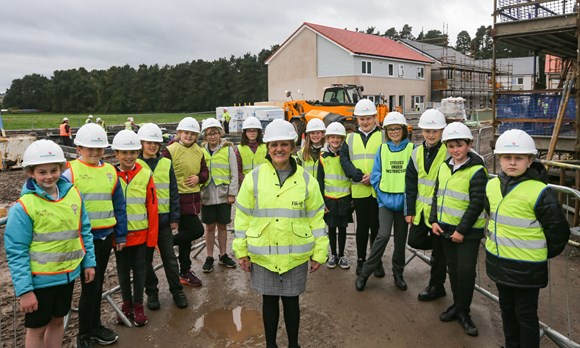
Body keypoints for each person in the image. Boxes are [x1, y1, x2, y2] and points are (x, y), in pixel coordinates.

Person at [233, 119, 328, 348]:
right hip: (263, 255)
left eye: (284, 144)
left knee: (292, 301)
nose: (279, 149)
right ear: (267, 147)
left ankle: (293, 344)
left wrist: (319, 251)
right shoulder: (254, 178)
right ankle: (271, 345)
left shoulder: (307, 181)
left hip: (294, 255)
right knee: (269, 301)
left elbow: (316, 217)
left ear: (293, 147)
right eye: (274, 144)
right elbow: (242, 216)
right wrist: (241, 250)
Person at [4, 140, 96, 348]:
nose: (49, 176)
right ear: (31, 173)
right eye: (42, 172)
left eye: (54, 170)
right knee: (36, 330)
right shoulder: (24, 207)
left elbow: (84, 231)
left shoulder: (74, 195)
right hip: (40, 282)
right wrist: (25, 291)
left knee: (57, 322)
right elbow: (16, 252)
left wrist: (88, 262)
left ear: (62, 169)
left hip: (67, 275)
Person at [485, 129, 570, 348]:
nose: (512, 163)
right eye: (507, 157)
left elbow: (558, 232)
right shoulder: (492, 185)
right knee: (506, 311)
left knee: (525, 315)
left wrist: (540, 252)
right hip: (500, 264)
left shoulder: (540, 191)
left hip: (527, 270)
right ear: (499, 159)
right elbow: (492, 216)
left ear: (530, 160)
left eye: (519, 158)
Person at [63, 123, 128, 347]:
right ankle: (84, 333)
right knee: (88, 287)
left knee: (96, 285)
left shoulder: (110, 172)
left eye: (99, 148)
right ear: (78, 148)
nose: (95, 152)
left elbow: (119, 206)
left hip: (103, 239)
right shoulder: (69, 172)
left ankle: (94, 326)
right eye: (90, 148)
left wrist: (120, 235)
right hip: (79, 240)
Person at [429, 122, 487, 336]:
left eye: (459, 145)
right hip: (445, 230)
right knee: (453, 271)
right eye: (451, 145)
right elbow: (437, 195)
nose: (455, 150)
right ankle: (457, 306)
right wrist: (434, 220)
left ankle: (464, 312)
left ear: (469, 144)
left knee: (465, 272)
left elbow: (476, 204)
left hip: (467, 234)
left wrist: (461, 231)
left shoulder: (477, 170)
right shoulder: (445, 167)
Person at [356, 112, 414, 291]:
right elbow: (376, 175)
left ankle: (398, 273)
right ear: (386, 131)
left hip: (403, 203)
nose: (394, 132)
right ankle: (365, 272)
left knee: (400, 239)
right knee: (382, 236)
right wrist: (382, 196)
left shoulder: (412, 149)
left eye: (397, 128)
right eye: (390, 129)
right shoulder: (382, 149)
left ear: (403, 130)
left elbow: (414, 178)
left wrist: (409, 203)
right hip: (385, 202)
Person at [137, 123, 189, 310]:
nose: (152, 146)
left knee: (169, 258)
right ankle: (152, 293)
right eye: (148, 142)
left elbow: (173, 192)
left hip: (164, 220)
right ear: (141, 143)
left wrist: (175, 217)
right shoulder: (135, 165)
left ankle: (177, 291)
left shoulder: (166, 164)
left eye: (156, 143)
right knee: (145, 261)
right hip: (143, 222)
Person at [111, 130, 159, 327]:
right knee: (122, 271)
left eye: (132, 152)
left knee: (140, 272)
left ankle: (139, 305)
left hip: (141, 235)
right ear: (116, 154)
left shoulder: (146, 174)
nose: (129, 157)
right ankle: (126, 305)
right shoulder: (110, 174)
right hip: (120, 236)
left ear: (138, 153)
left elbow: (152, 207)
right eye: (124, 153)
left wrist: (152, 239)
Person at [405, 109, 449, 301]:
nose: (431, 135)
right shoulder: (416, 153)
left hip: (440, 212)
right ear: (421, 131)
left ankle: (436, 286)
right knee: (414, 241)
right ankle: (446, 249)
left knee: (438, 255)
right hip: (422, 211)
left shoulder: (450, 152)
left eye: (435, 131)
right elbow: (410, 184)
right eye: (427, 131)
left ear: (442, 131)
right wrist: (410, 210)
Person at [340, 99, 383, 276]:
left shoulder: (383, 136)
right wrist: (358, 176)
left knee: (377, 228)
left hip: (378, 190)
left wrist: (374, 177)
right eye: (361, 119)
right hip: (359, 190)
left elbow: (387, 160)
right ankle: (361, 260)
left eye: (368, 118)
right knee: (362, 228)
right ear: (356, 119)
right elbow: (344, 160)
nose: (365, 122)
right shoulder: (350, 138)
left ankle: (376, 261)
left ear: (374, 118)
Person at [163, 117, 206, 287]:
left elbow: (205, 172)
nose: (189, 136)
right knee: (197, 230)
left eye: (192, 133)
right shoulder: (170, 150)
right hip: (177, 200)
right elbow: (162, 174)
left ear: (196, 136)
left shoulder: (199, 151)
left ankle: (184, 271)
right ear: (179, 133)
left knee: (186, 239)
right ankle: (166, 243)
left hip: (193, 199)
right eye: (186, 132)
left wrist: (199, 178)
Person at [200, 118, 238, 273]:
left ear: (219, 134)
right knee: (209, 227)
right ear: (205, 135)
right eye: (209, 134)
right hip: (207, 194)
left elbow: (234, 173)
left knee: (222, 226)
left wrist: (232, 193)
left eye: (215, 133)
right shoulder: (200, 151)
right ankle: (209, 257)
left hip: (223, 194)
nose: (213, 136)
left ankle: (223, 254)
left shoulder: (228, 150)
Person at [317, 122, 351, 269]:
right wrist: (321, 202)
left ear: (342, 139)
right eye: (332, 137)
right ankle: (333, 254)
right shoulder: (323, 157)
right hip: (329, 199)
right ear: (327, 138)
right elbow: (320, 180)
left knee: (342, 228)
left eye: (338, 137)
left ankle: (342, 255)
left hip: (344, 198)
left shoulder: (346, 156)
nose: (335, 140)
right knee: (331, 228)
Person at [234, 116, 267, 184]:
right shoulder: (239, 149)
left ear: (258, 132)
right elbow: (237, 169)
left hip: (264, 182)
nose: (252, 133)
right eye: (249, 131)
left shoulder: (266, 147)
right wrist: (245, 181)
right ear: (245, 133)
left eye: (254, 131)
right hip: (246, 183)